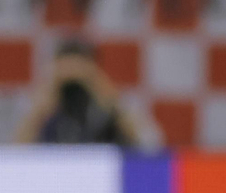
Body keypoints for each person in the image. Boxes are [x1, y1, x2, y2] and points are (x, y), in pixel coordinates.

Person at [14, 40, 142, 145]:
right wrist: (44, 101)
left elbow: (148, 145)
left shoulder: (109, 101)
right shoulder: (44, 102)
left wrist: (99, 88)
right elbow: (13, 152)